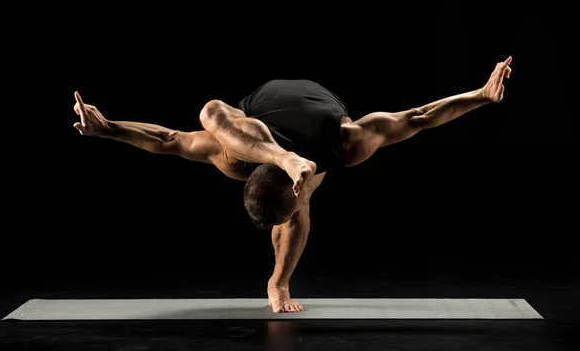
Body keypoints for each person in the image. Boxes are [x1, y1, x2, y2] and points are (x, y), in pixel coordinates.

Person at [73, 56, 512, 313]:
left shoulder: (347, 142)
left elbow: (417, 117)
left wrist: (480, 95)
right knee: (211, 119)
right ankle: (279, 271)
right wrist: (106, 128)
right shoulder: (233, 159)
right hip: (263, 120)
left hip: (315, 106)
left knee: (211, 115)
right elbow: (167, 139)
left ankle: (279, 279)